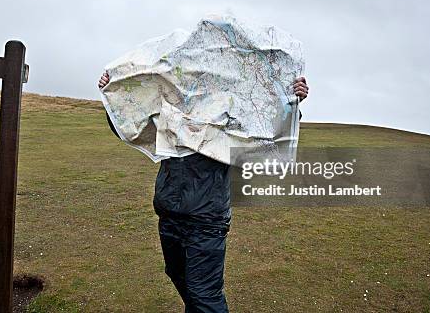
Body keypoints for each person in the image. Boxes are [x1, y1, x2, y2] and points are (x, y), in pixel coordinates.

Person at [98, 71, 309, 313]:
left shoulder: (229, 117)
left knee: (204, 295)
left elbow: (266, 133)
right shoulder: (171, 112)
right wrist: (110, 94)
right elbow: (131, 126)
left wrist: (291, 104)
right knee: (178, 276)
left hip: (206, 220)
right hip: (170, 214)